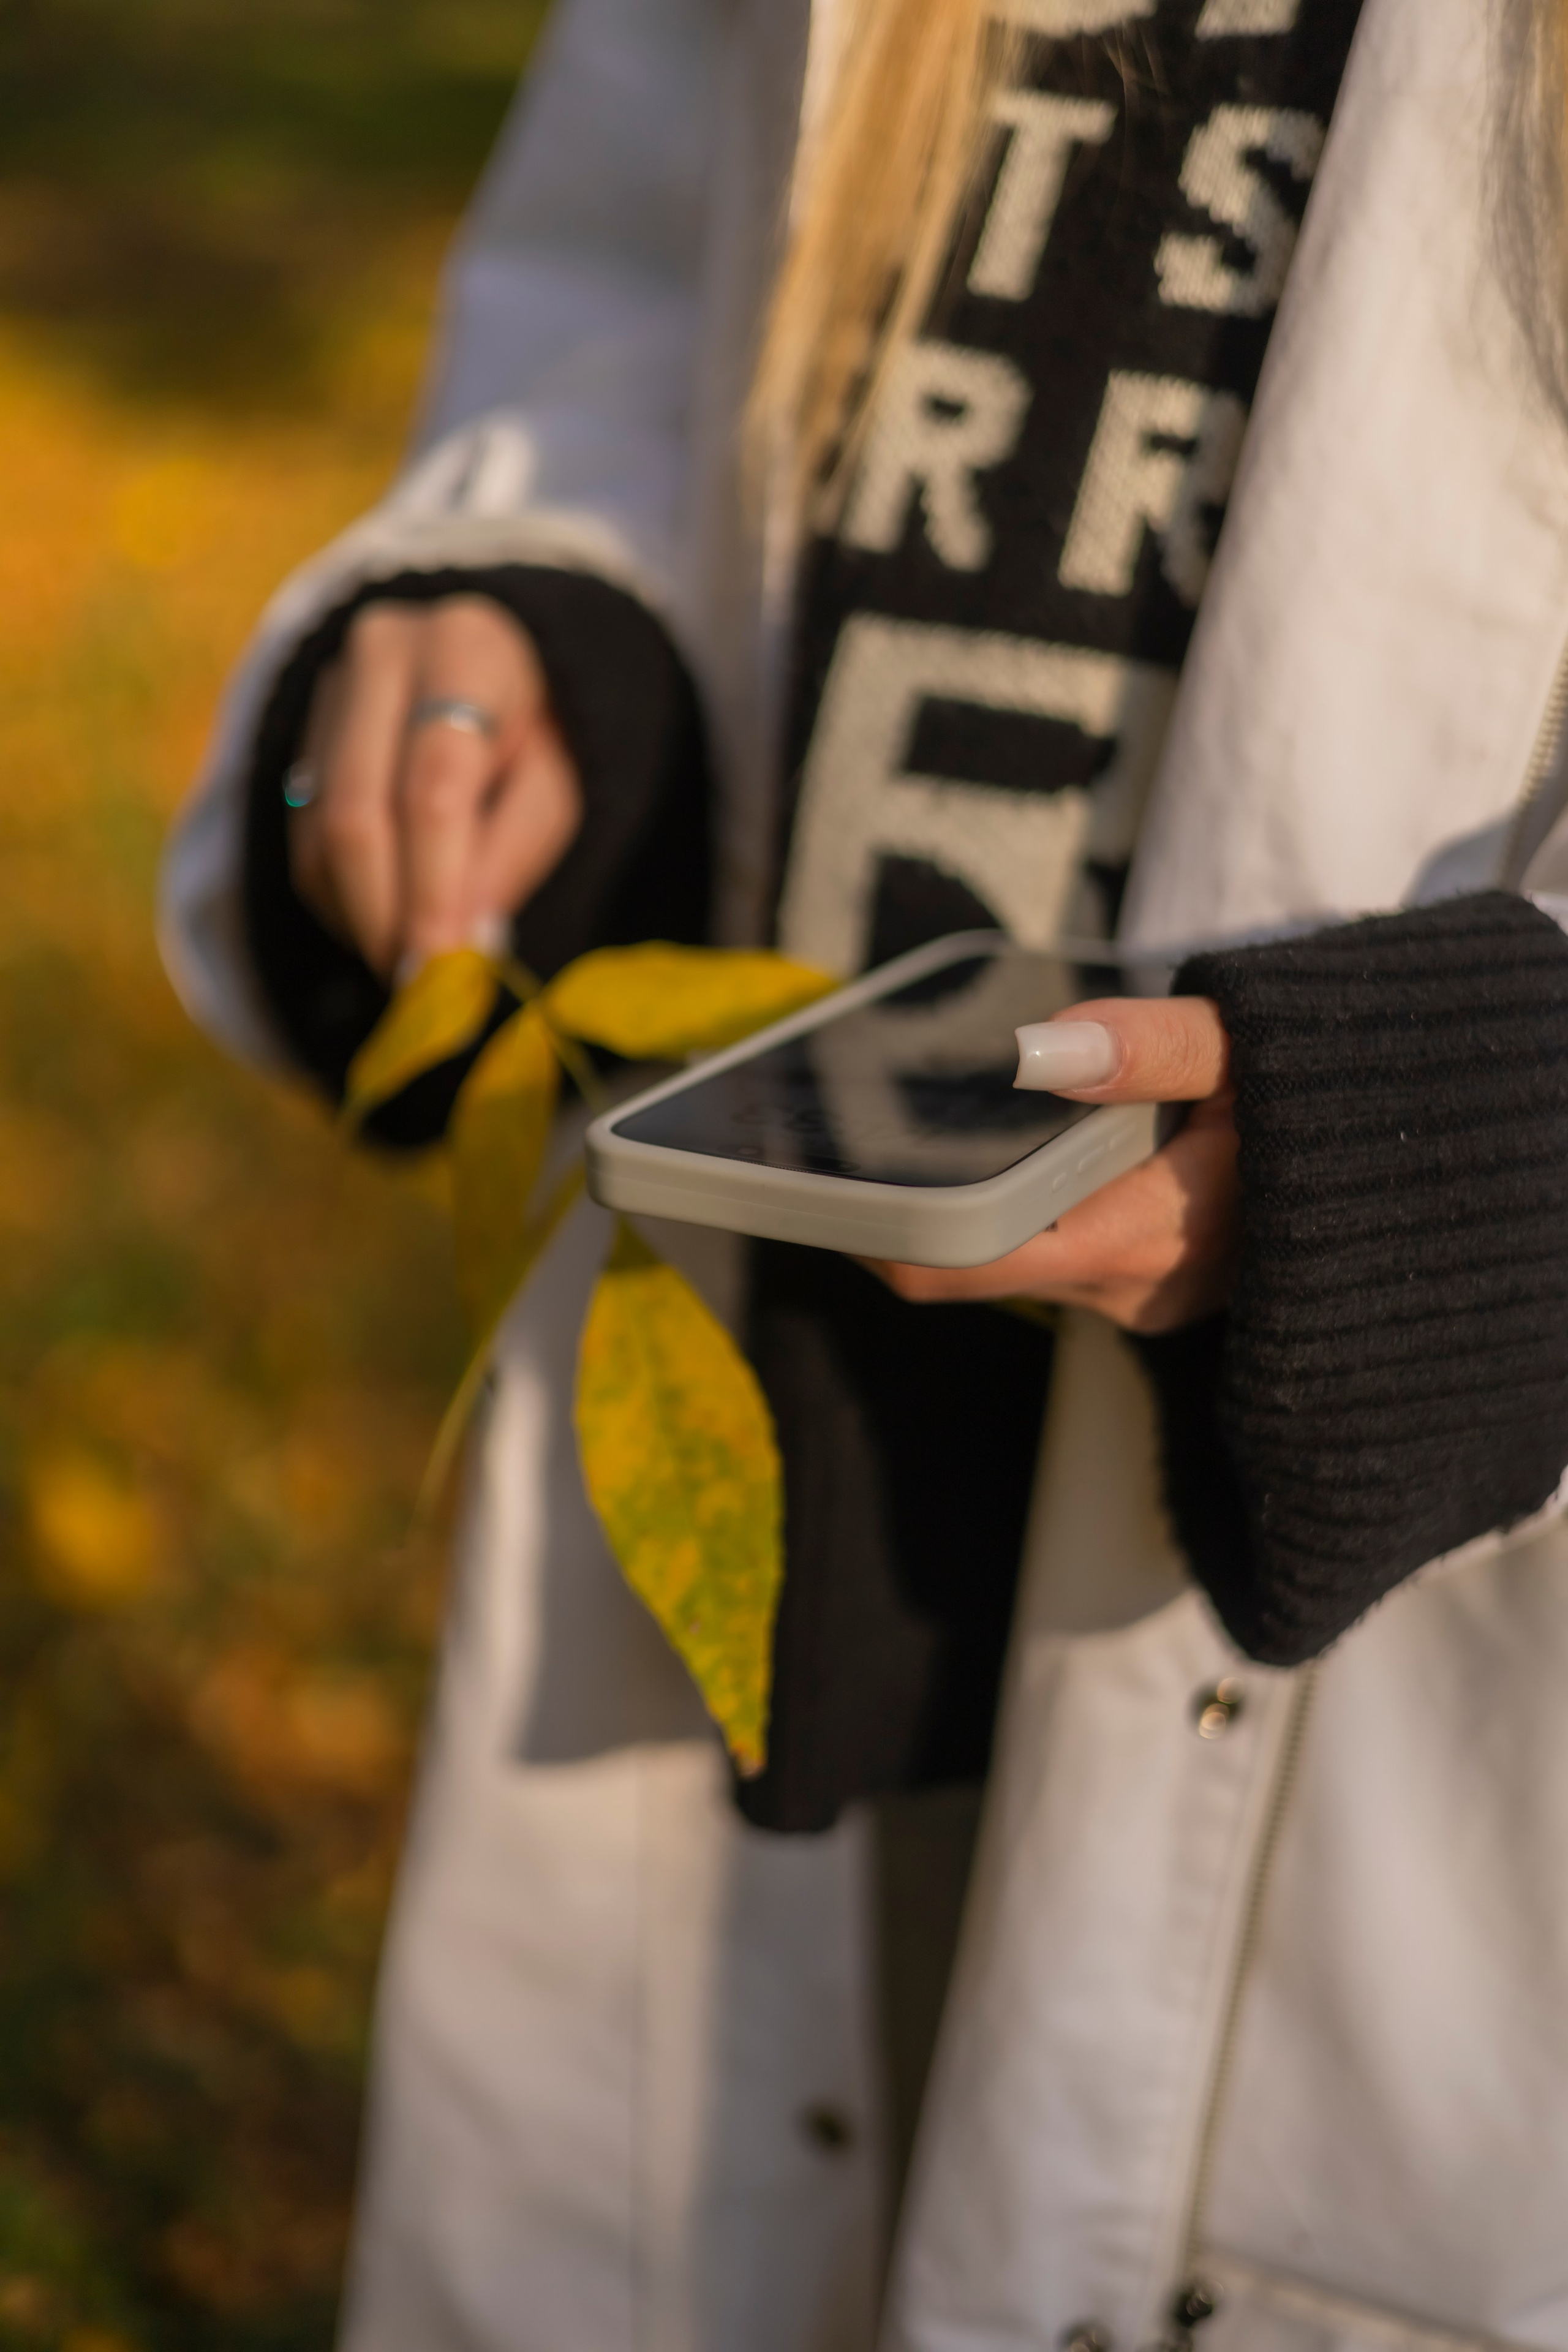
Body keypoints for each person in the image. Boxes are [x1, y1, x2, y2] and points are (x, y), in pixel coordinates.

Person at [160, 0, 1568, 2343]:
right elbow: (623, 275)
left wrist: (1484, 1155)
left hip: (1403, 1656)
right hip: (811, 1464)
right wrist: (515, 657)